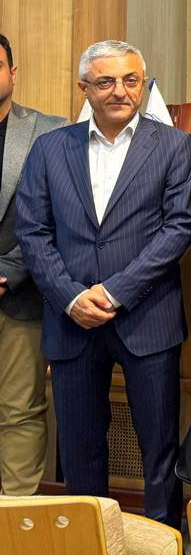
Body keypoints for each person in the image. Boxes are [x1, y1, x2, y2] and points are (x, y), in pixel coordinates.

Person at [15, 40, 191, 526]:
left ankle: (162, 540)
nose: (120, 91)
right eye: (106, 81)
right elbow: (32, 231)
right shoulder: (51, 148)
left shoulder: (174, 145)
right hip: (71, 321)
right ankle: (90, 538)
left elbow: (180, 227)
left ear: (142, 83)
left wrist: (116, 291)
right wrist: (70, 296)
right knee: (79, 449)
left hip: (148, 318)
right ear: (84, 88)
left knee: (159, 450)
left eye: (131, 80)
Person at [0, 34, 68, 495]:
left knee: (19, 410)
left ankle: (16, 516)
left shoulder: (50, 131)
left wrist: (8, 270)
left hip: (18, 295)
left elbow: (58, 215)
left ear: (13, 71)